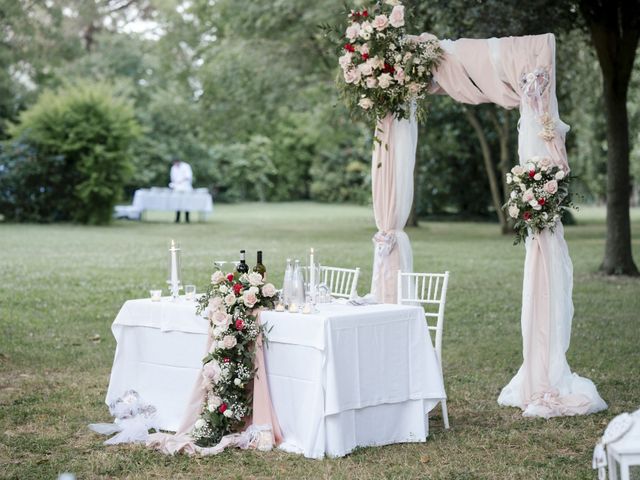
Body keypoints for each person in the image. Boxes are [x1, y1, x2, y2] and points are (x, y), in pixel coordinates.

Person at [169, 158, 193, 223]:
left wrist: (180, 181)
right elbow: (173, 178)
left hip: (186, 188)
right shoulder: (173, 168)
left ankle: (187, 219)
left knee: (186, 203)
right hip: (177, 188)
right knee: (177, 203)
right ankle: (177, 218)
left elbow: (188, 177)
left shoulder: (186, 166)